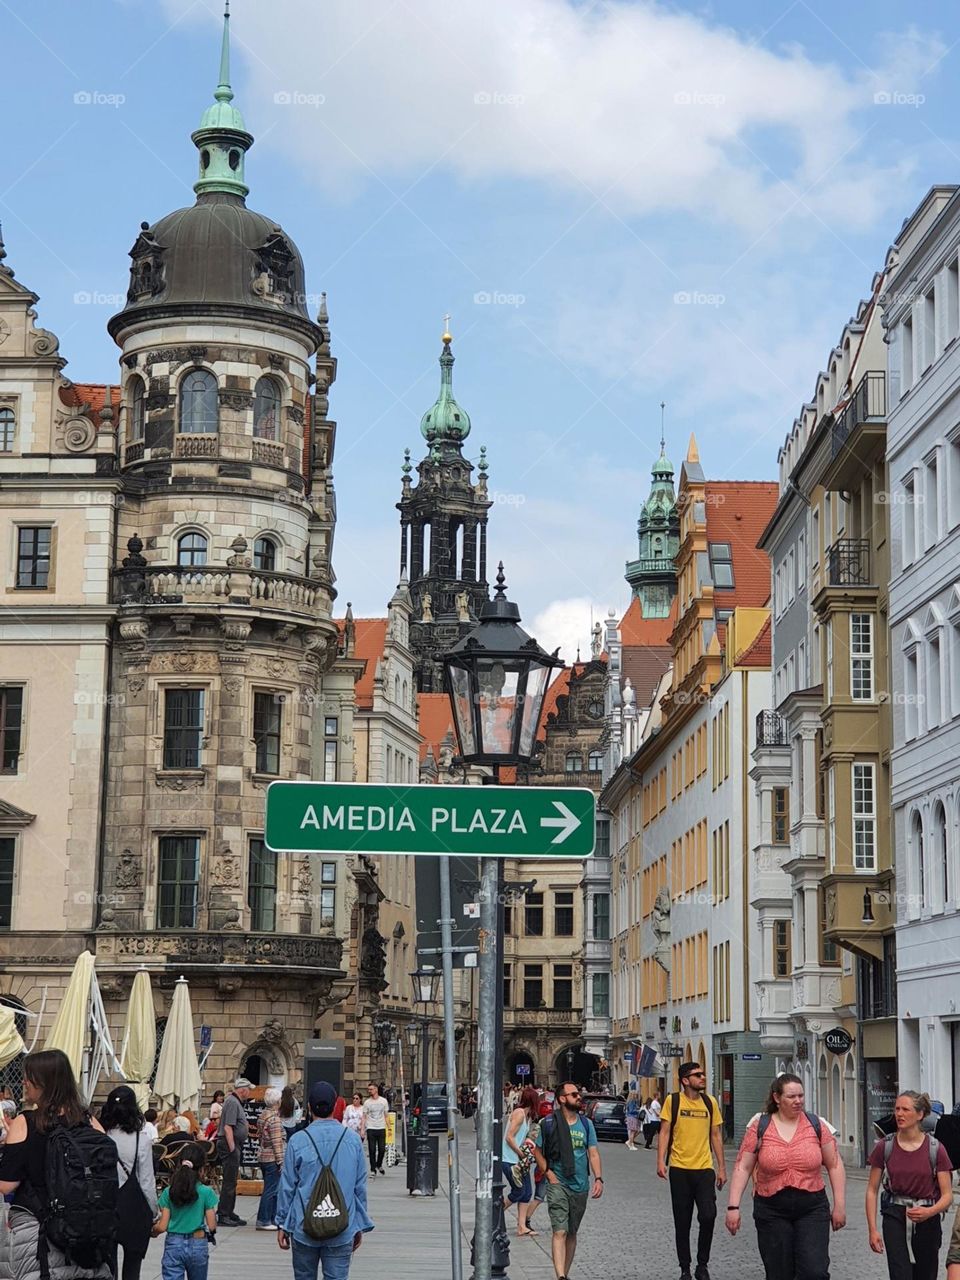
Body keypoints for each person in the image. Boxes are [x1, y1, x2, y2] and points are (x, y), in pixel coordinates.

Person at [0, 1047, 113, 1280]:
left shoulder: (26, 1122)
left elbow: (6, 1184)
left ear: (44, 1082)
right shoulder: (90, 1121)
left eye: (29, 1077)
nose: (24, 1082)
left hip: (38, 1234)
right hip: (87, 1235)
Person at [725, 1072, 846, 1280]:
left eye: (801, 1096)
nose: (798, 1101)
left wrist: (840, 1205)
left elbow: (834, 1164)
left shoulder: (815, 1125)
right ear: (777, 1098)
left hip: (812, 1207)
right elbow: (742, 1167)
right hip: (772, 1208)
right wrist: (733, 1207)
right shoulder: (760, 1126)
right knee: (779, 1272)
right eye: (791, 1096)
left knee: (815, 1272)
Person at [275, 1080, 374, 1278]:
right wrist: (359, 1223)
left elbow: (287, 1186)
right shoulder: (353, 1140)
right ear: (336, 1106)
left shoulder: (298, 1140)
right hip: (342, 1224)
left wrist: (283, 1222)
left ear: (309, 1107)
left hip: (304, 1224)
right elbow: (359, 1187)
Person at [866, 1090, 953, 1280]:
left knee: (926, 1274)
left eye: (905, 1109)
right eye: (897, 1109)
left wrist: (929, 1212)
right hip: (894, 1215)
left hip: (927, 1217)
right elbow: (872, 1190)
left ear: (920, 1114)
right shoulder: (885, 1146)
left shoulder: (935, 1149)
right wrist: (872, 1230)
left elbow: (948, 1195)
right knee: (900, 1273)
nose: (899, 1114)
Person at [658, 1062, 726, 1280]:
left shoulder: (710, 1102)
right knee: (682, 1221)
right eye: (697, 1075)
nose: (702, 1077)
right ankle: (685, 1268)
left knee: (708, 1215)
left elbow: (715, 1135)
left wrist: (722, 1168)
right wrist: (660, 1161)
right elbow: (664, 1132)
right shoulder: (673, 1101)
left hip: (704, 1168)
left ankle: (702, 1264)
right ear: (685, 1080)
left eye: (703, 1073)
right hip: (679, 1169)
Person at [534, 1081, 603, 1280]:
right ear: (562, 1099)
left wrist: (599, 1178)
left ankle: (565, 1272)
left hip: (580, 1185)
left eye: (578, 1093)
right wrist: (549, 1174)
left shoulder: (586, 1124)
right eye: (574, 1094)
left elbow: (593, 1153)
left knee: (572, 1232)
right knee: (560, 1231)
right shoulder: (548, 1123)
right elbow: (537, 1151)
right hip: (558, 1184)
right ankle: (561, 1276)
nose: (579, 1097)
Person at [100, 1084, 159, 1280]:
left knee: (107, 1267)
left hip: (105, 1207)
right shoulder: (141, 1140)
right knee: (132, 1268)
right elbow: (147, 1182)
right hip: (134, 1209)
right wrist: (154, 1213)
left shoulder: (100, 1136)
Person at [152, 1142, 218, 1280]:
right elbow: (212, 1225)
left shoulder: (168, 1192)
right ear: (202, 1169)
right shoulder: (206, 1192)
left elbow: (162, 1226)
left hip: (174, 1243)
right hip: (198, 1242)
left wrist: (153, 1231)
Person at [502, 1085, 541, 1237]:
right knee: (518, 1191)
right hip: (510, 1160)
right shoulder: (519, 1114)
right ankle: (495, 1213)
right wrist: (521, 1154)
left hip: (519, 1161)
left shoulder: (526, 1116)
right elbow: (509, 1137)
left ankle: (522, 1226)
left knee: (527, 1193)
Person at [216, 1076, 253, 1227]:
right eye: (249, 1090)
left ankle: (229, 1211)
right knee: (229, 1181)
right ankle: (223, 1214)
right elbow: (228, 1127)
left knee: (232, 1181)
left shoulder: (234, 1102)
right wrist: (232, 1148)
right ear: (243, 1090)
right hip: (229, 1144)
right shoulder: (232, 1102)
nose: (250, 1093)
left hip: (234, 1144)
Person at [256, 1086, 287, 1232]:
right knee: (271, 1190)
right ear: (277, 1102)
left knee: (272, 1189)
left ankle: (273, 1218)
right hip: (271, 1158)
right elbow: (277, 1143)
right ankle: (264, 1219)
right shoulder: (275, 1119)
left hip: (263, 1155)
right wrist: (281, 1162)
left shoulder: (263, 1115)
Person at [362, 1082, 388, 1176]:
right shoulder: (367, 1102)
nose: (369, 1091)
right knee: (372, 1150)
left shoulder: (383, 1101)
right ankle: (373, 1169)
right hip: (371, 1127)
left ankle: (379, 1164)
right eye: (368, 1089)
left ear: (376, 1089)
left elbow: (386, 1115)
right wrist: (362, 1129)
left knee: (382, 1149)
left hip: (381, 1127)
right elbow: (364, 1117)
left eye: (371, 1089)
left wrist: (389, 1128)